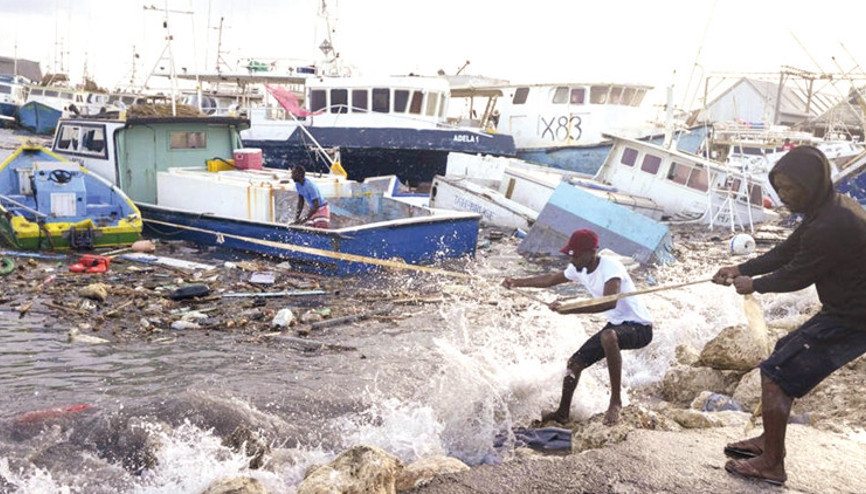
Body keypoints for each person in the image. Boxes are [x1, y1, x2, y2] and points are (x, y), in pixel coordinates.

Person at [712, 146, 866, 486]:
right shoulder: (826, 210)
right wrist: (741, 267)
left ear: (810, 184)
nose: (782, 197)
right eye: (778, 189)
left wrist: (754, 284)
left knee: (776, 373)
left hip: (855, 320)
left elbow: (798, 275)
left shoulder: (831, 223)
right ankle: (769, 442)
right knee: (784, 350)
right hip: (846, 311)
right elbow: (788, 251)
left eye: (789, 189)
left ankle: (772, 463)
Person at [503, 229, 654, 426]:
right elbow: (550, 280)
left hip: (640, 328)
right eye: (571, 255)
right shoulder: (578, 268)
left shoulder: (611, 268)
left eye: (576, 255)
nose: (572, 260)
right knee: (574, 364)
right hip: (617, 326)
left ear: (592, 252)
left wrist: (569, 309)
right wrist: (516, 282)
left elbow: (609, 302)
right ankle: (562, 413)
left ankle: (615, 402)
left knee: (608, 336)